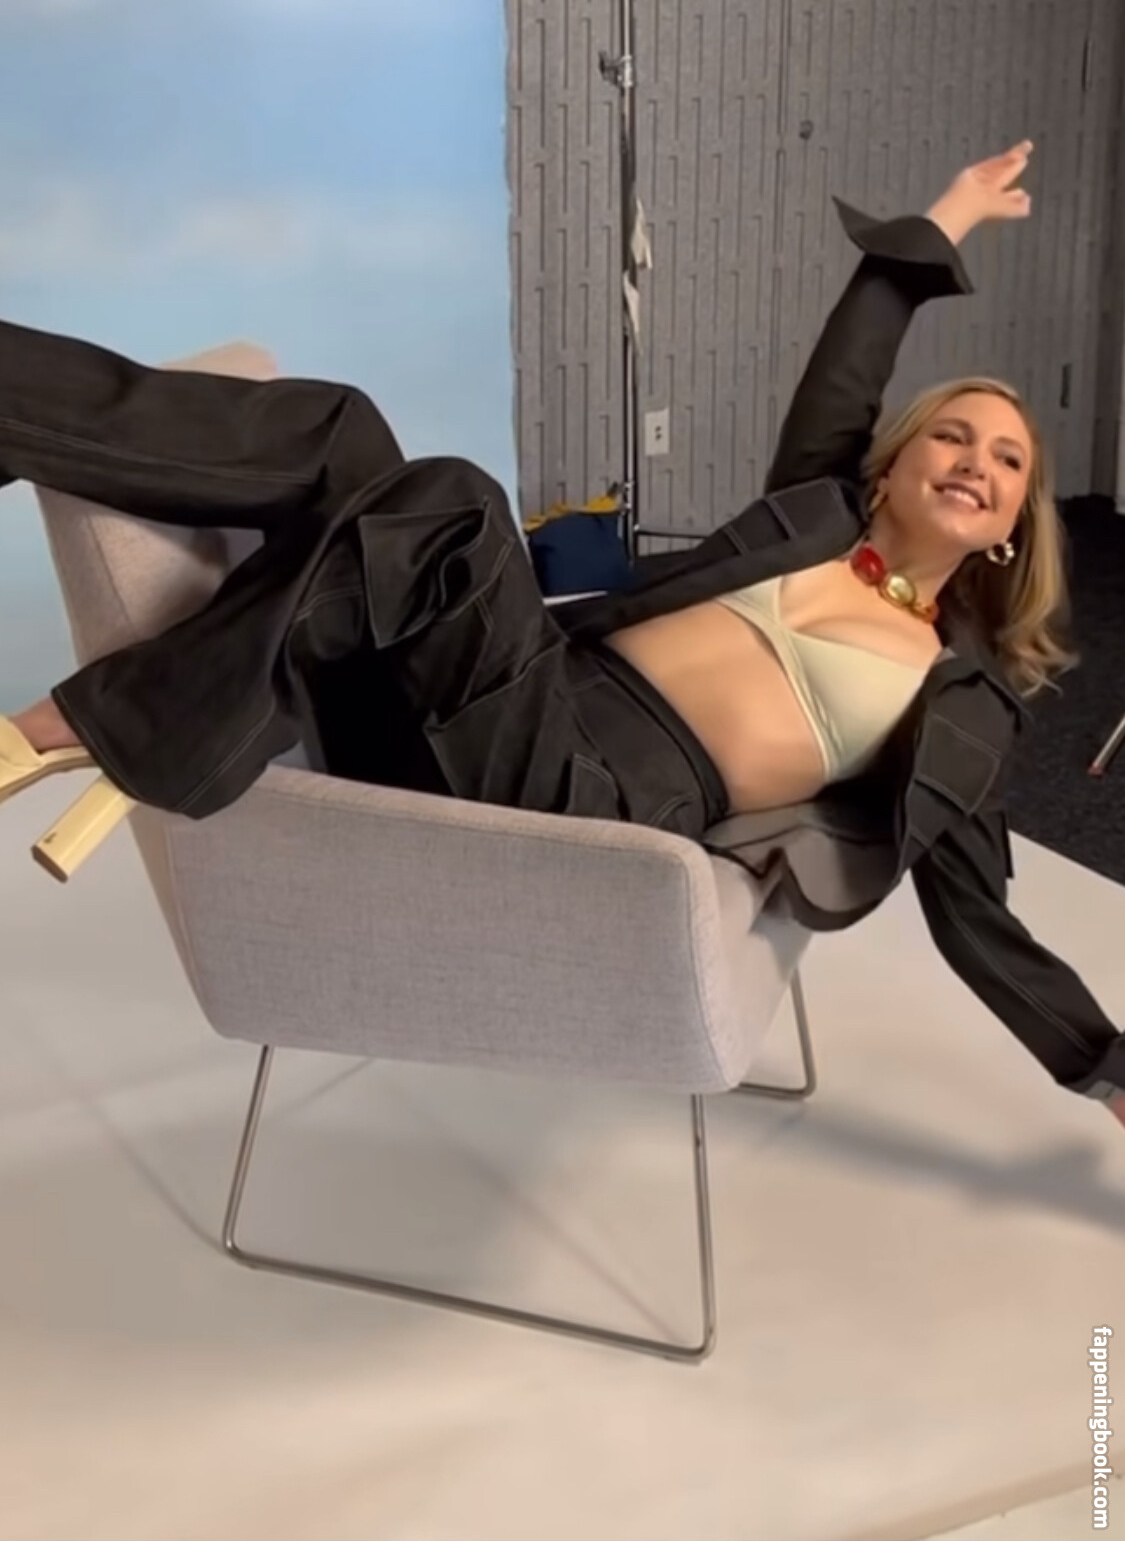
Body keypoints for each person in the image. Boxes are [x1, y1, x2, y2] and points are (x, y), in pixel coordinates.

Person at [0, 142, 1122, 1122]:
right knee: (346, 430)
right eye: (951, 436)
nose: (974, 462)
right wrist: (950, 214)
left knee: (452, 499)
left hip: (586, 802)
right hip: (513, 693)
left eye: (1006, 460)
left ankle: (95, 724)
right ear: (893, 463)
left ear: (1011, 527)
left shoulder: (958, 699)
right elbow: (850, 365)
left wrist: (1108, 1071)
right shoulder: (816, 519)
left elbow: (980, 920)